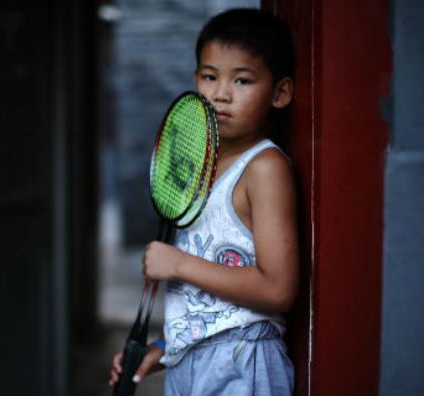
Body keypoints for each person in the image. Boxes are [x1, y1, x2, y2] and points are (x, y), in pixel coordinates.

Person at [109, 8, 298, 396]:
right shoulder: (198, 164)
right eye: (209, 77)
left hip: (243, 362)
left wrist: (178, 263)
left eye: (242, 80)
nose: (220, 94)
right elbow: (208, 302)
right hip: (192, 362)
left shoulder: (264, 168)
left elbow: (278, 288)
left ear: (279, 93)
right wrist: (162, 348)